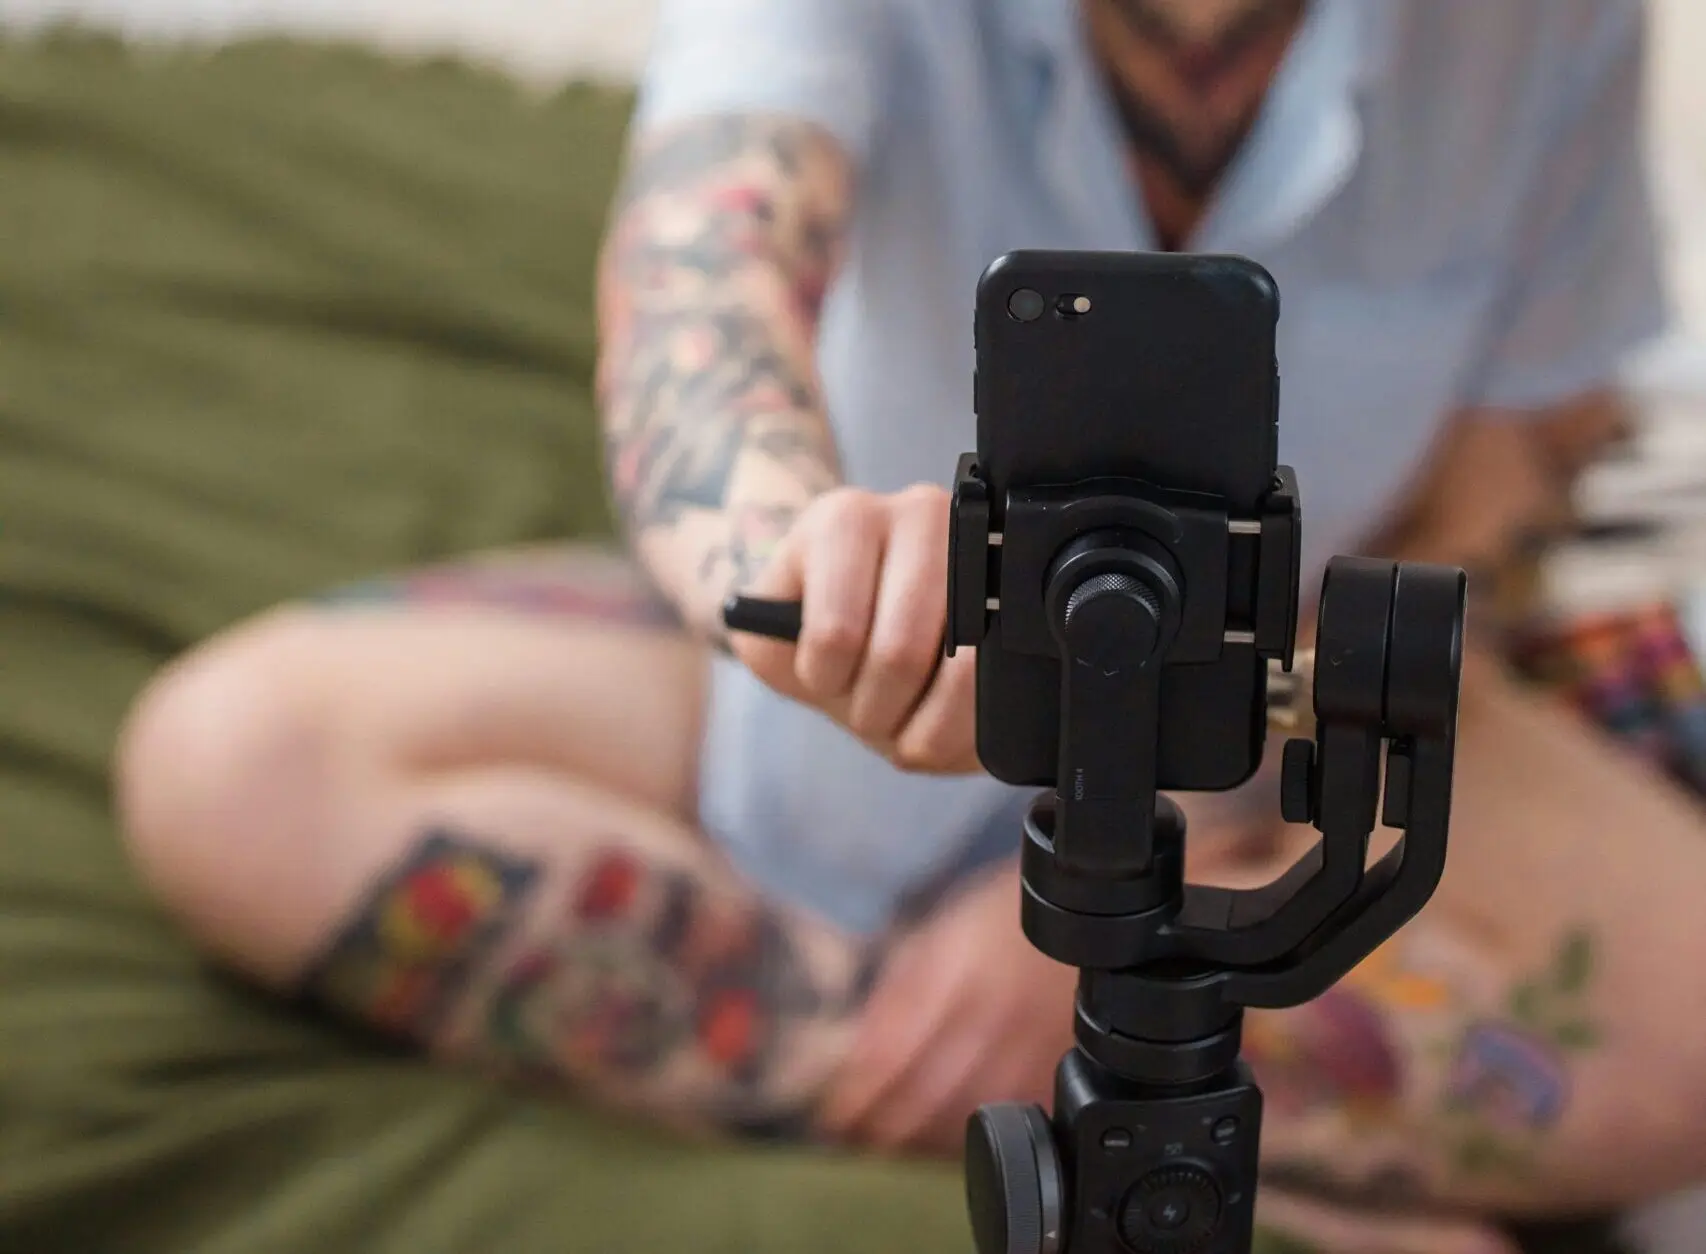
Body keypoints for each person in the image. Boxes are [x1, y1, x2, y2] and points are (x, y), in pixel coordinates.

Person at [113, 0, 1704, 1249]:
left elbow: (1514, 466)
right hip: (835, 703)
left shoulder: (1538, 18)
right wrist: (799, 572)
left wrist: (1207, 830)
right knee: (232, 765)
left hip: (1268, 732)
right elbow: (696, 287)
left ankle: (987, 1062)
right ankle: (1110, 1101)